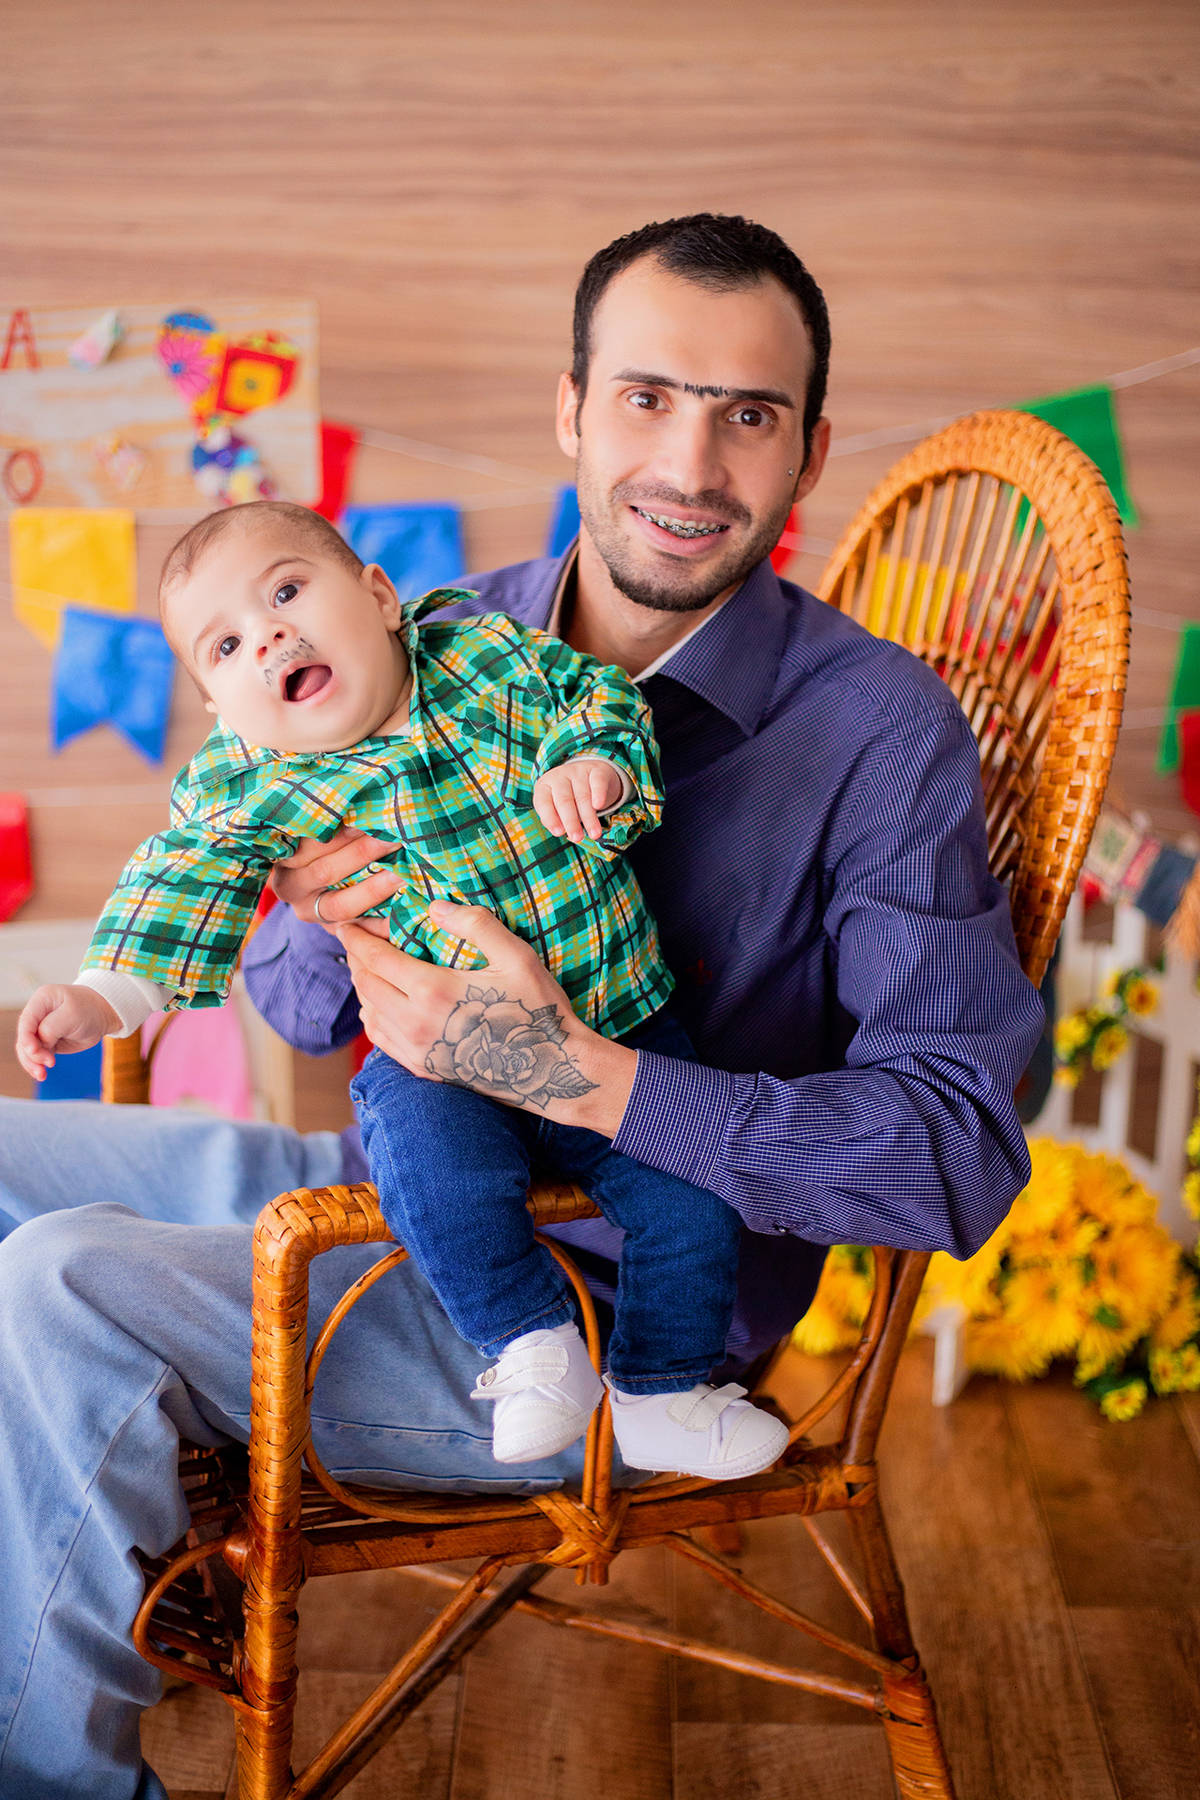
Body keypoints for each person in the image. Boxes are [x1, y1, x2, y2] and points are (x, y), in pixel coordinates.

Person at [0, 212, 1043, 1799]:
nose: (689, 462)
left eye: (746, 414)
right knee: (13, 1162)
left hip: (622, 1317)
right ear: (569, 412)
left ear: (808, 452)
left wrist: (587, 1076)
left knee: (62, 1284)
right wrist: (322, 905)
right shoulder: (422, 629)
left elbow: (955, 1150)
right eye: (645, 397)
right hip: (407, 1195)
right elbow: (289, 1013)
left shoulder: (879, 731)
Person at [16, 501, 785, 1478]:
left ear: (380, 597)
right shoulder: (250, 787)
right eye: (226, 644)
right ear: (219, 710)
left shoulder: (490, 663)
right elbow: (179, 879)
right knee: (433, 1168)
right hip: (439, 1069)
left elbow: (597, 701)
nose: (272, 638)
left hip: (621, 1029)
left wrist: (596, 767)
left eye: (288, 591)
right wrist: (105, 994)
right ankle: (529, 1345)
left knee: (690, 1200)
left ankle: (663, 1390)